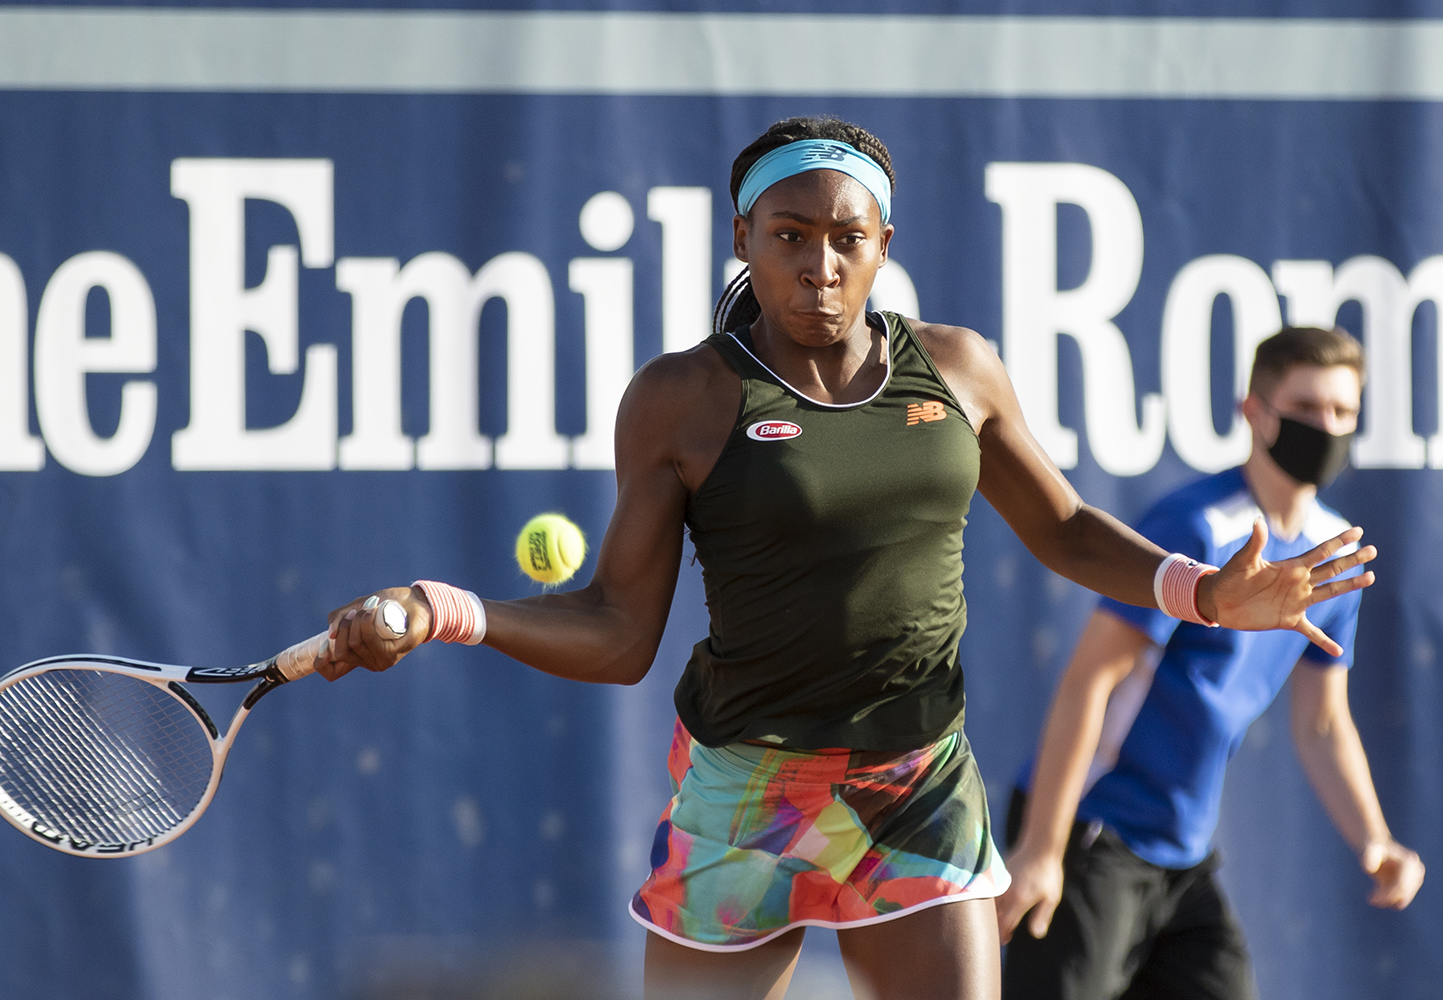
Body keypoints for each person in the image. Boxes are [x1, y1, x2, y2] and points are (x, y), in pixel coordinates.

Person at [313, 119, 1375, 1000]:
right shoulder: (682, 398)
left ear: (882, 243)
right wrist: (443, 608)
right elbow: (618, 632)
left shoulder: (959, 368)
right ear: (744, 237)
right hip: (746, 795)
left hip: (918, 785)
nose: (819, 263)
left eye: (845, 238)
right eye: (789, 235)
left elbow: (1061, 527)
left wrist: (1202, 593)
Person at [996, 326, 1424, 1000]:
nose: (1327, 426)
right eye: (1307, 408)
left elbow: (1321, 723)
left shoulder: (1329, 561)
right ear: (1253, 412)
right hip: (1090, 834)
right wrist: (1043, 850)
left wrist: (1375, 838)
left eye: (1343, 412)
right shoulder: (1197, 528)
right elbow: (1092, 682)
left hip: (1184, 856)